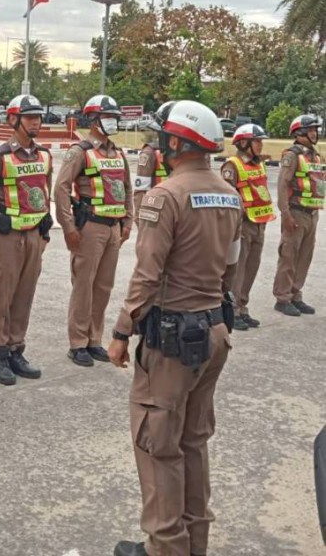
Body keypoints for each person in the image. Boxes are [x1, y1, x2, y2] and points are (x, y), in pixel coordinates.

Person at [107, 100, 241, 556]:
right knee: (193, 442)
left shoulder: (165, 196)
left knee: (158, 446)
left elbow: (147, 275)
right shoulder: (229, 194)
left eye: (165, 137)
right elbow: (232, 266)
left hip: (173, 342)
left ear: (179, 143)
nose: (160, 145)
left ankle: (165, 547)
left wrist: (122, 331)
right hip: (214, 332)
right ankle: (193, 543)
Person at [0, 94, 53, 386]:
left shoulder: (44, 155)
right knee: (3, 297)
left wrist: (44, 236)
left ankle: (17, 349)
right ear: (13, 120)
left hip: (33, 236)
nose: (35, 122)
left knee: (24, 295)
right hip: (6, 239)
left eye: (38, 117)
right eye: (29, 117)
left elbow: (45, 194)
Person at [54, 94, 133, 366]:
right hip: (90, 227)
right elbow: (61, 188)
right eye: (108, 117)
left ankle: (94, 339)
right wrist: (68, 226)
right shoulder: (80, 152)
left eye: (114, 118)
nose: (113, 122)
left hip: (114, 228)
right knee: (84, 286)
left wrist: (128, 221)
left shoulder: (118, 153)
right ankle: (78, 343)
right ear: (93, 120)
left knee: (103, 287)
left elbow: (127, 189)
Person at [221, 123, 275, 330]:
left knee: (252, 267)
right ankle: (233, 310)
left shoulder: (259, 164)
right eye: (257, 141)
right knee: (238, 269)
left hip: (259, 223)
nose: (261, 145)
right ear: (243, 143)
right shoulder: (232, 166)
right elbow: (228, 199)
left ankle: (243, 307)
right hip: (242, 225)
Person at [273, 114, 324, 316]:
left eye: (315, 129)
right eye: (310, 130)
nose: (314, 133)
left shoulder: (315, 155)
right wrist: (286, 214)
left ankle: (295, 294)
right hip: (295, 212)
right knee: (289, 256)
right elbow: (282, 185)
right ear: (299, 132)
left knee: (304, 257)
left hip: (312, 213)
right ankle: (282, 298)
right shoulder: (292, 155)